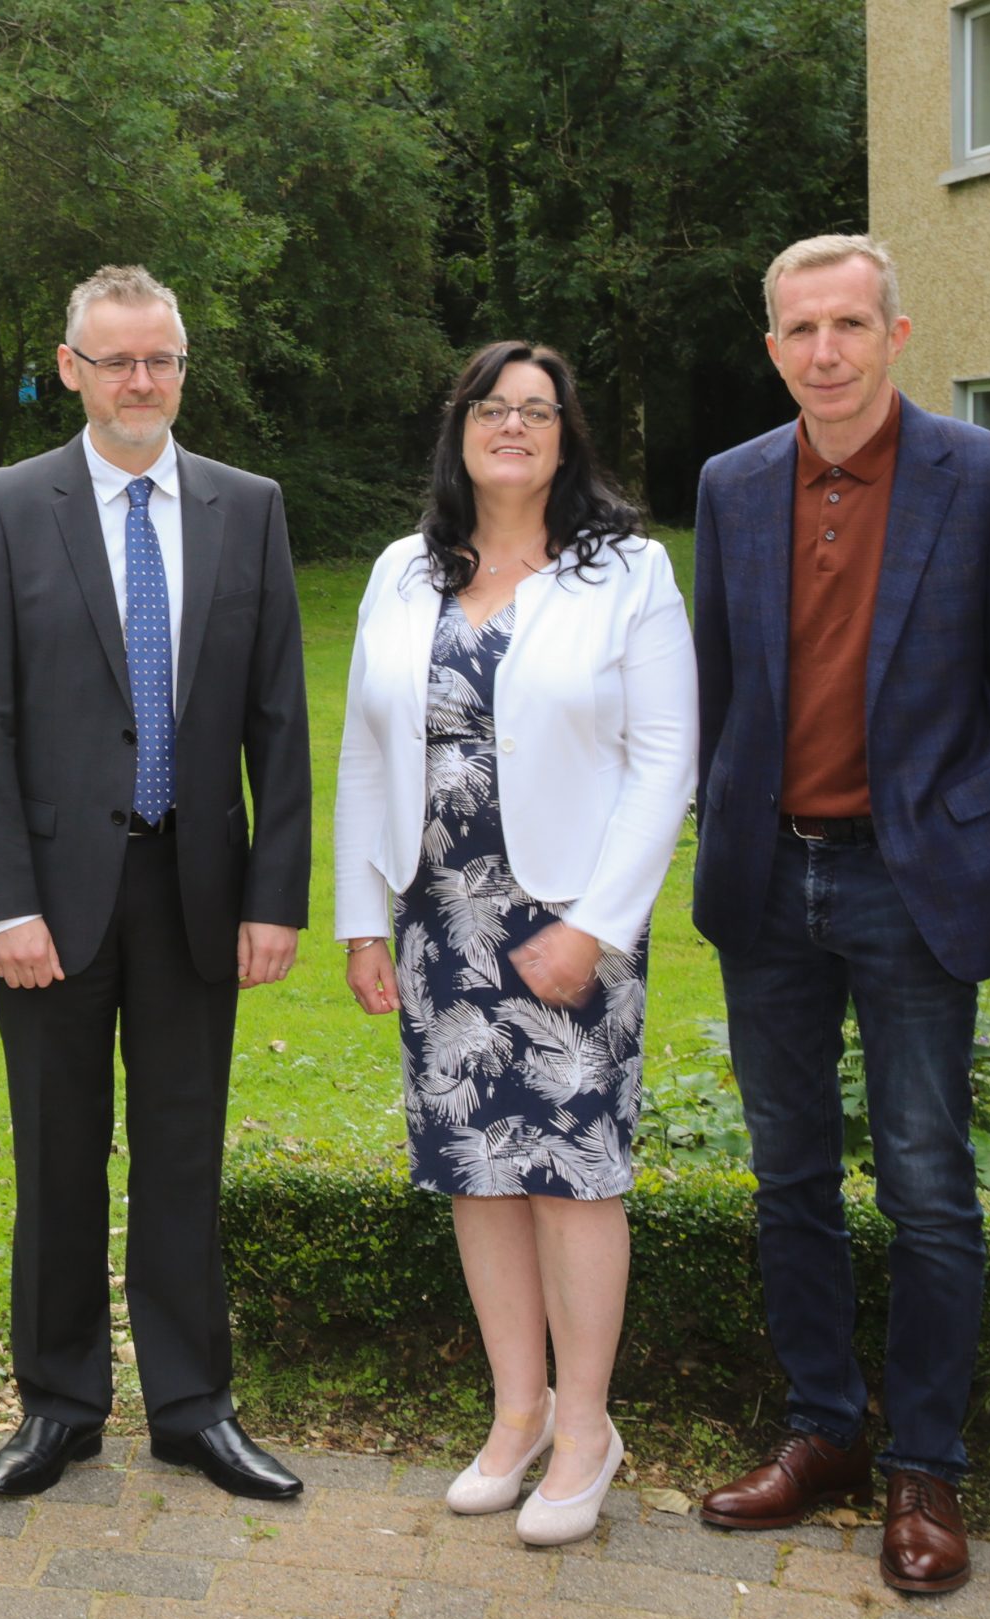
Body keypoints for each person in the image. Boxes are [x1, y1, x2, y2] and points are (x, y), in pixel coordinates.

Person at [689, 233, 990, 1592]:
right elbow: (718, 685)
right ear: (774, 343)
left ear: (897, 334)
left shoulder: (983, 478)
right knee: (790, 1174)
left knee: (925, 1182)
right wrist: (721, 815)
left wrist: (962, 832)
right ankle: (823, 1428)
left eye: (850, 324)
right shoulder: (733, 484)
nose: (826, 351)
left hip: (911, 880)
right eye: (801, 329)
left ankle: (928, 1468)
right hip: (767, 877)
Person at [0, 265, 312, 1500]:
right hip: (48, 901)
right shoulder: (2, 507)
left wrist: (275, 893)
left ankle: (192, 1406)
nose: (140, 381)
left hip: (195, 888)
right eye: (116, 361)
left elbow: (278, 717)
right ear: (71, 370)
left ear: (180, 366)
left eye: (159, 359)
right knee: (56, 1154)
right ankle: (57, 1405)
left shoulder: (245, 506)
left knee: (181, 1152)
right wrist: (1, 900)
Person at [334, 343, 695, 1546]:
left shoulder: (626, 572)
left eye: (538, 410)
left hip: (567, 927)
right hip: (440, 922)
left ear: (565, 435)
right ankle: (517, 1413)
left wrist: (596, 926)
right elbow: (362, 754)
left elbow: (663, 764)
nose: (515, 426)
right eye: (495, 407)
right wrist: (359, 914)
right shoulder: (401, 571)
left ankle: (588, 1429)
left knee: (573, 1179)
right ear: (462, 427)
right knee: (476, 1174)